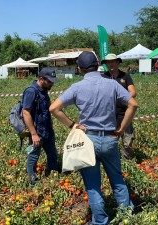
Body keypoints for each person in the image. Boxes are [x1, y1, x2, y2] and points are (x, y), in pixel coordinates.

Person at [49, 51, 138, 225]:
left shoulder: (77, 87)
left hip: (88, 141)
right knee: (117, 179)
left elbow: (54, 108)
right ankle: (127, 216)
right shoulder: (111, 84)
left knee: (92, 185)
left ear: (80, 68)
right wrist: (121, 129)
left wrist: (72, 125)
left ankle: (100, 220)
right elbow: (133, 104)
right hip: (110, 138)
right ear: (98, 66)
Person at [22, 67, 59, 185]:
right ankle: (33, 180)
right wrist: (33, 134)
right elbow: (26, 112)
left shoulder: (43, 90)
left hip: (47, 129)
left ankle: (53, 174)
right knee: (33, 155)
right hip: (37, 131)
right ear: (41, 79)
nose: (52, 83)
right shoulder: (31, 91)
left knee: (52, 153)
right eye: (50, 81)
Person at [101, 53, 137, 160]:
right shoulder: (103, 77)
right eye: (108, 62)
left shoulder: (125, 76)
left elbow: (133, 92)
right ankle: (112, 161)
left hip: (125, 113)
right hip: (109, 115)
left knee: (128, 140)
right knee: (110, 140)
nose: (110, 64)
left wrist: (120, 98)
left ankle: (128, 161)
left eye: (112, 62)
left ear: (117, 63)